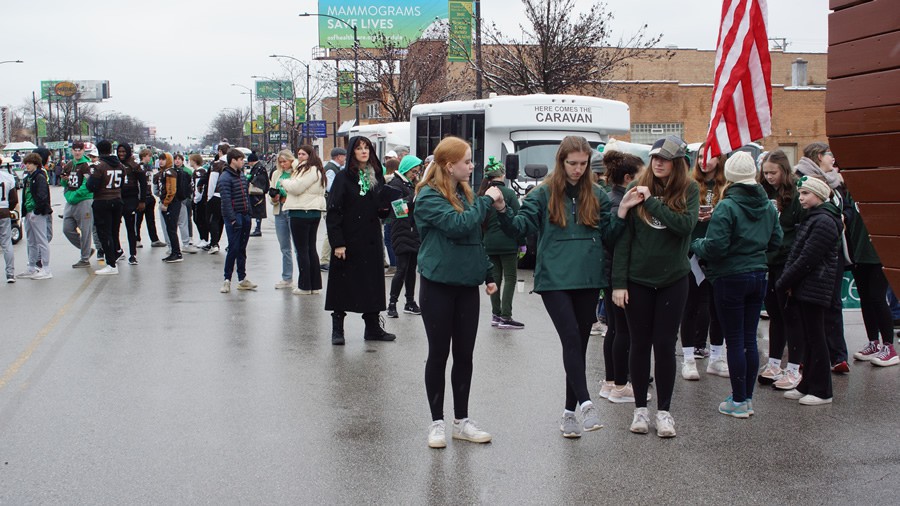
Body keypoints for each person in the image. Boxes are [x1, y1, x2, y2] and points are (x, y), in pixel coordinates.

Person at [494, 136, 640, 438]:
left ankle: (568, 413)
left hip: (587, 277)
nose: (577, 169)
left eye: (583, 164)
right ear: (561, 162)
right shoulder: (543, 192)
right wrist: (501, 209)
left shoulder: (597, 194)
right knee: (572, 337)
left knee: (579, 344)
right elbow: (519, 228)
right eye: (572, 163)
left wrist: (622, 211)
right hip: (555, 279)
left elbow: (610, 236)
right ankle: (586, 403)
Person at [612, 135, 699, 438]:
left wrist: (652, 202)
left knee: (664, 345)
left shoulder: (689, 188)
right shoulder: (635, 189)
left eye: (666, 158)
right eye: (655, 158)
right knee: (639, 344)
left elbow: (685, 226)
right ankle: (639, 410)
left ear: (678, 163)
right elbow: (624, 241)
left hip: (673, 280)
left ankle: (664, 412)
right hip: (638, 281)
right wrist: (619, 283)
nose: (659, 163)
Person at [415, 136, 499, 448]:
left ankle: (461, 421)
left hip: (466, 287)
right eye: (467, 161)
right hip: (437, 285)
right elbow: (459, 225)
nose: (472, 165)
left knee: (464, 354)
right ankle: (436, 422)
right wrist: (488, 200)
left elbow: (474, 239)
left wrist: (487, 273)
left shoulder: (466, 193)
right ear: (450, 166)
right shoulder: (428, 197)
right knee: (439, 353)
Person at [690, 152, 782, 418]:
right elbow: (776, 241)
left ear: (729, 176)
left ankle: (739, 400)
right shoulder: (767, 206)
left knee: (735, 339)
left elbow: (716, 247)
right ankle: (746, 398)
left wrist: (696, 244)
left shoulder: (727, 206)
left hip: (730, 276)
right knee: (748, 340)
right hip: (758, 274)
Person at [776, 175, 842, 405]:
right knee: (808, 337)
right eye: (800, 193)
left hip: (815, 286)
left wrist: (784, 281)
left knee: (816, 338)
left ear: (819, 195)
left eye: (806, 193)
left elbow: (807, 258)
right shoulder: (813, 217)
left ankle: (823, 390)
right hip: (806, 286)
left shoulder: (823, 220)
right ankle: (807, 384)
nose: (801, 198)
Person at [325, 136, 395, 345]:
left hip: (371, 237)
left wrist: (386, 209)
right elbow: (334, 211)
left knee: (372, 283)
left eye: (367, 148)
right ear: (352, 152)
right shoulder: (343, 177)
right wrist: (337, 242)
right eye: (359, 148)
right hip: (348, 238)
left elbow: (379, 206)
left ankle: (372, 327)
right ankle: (338, 329)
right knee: (342, 285)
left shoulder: (376, 175)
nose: (364, 152)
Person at [757, 150, 806, 389]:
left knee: (792, 316)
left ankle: (795, 368)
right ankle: (774, 363)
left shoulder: (796, 194)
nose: (768, 177)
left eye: (773, 172)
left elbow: (800, 232)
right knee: (775, 315)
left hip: (789, 261)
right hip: (769, 261)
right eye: (765, 172)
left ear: (784, 171)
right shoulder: (763, 191)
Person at [681, 143, 729, 380]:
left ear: (719, 160)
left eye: (710, 156)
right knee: (689, 306)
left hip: (717, 253)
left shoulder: (726, 186)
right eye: (700, 156)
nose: (704, 160)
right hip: (690, 253)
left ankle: (717, 358)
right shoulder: (689, 184)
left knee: (716, 308)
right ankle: (689, 359)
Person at [597, 150, 641, 403]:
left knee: (615, 328)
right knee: (623, 330)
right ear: (628, 178)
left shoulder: (612, 198)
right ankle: (620, 384)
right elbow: (616, 240)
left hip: (610, 272)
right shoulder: (619, 203)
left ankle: (611, 381)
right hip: (617, 272)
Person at [477, 156, 523, 329]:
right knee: (510, 278)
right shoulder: (509, 193)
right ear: (502, 175)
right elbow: (518, 220)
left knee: (494, 279)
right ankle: (506, 315)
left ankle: (495, 314)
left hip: (488, 242)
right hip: (508, 242)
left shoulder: (483, 193)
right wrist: (522, 242)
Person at [280, 145, 326, 295]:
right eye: (298, 154)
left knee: (303, 250)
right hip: (312, 211)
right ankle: (314, 284)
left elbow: (297, 188)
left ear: (310, 155)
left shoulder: (308, 170)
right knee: (310, 249)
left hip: (301, 211)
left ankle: (305, 285)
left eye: (303, 154)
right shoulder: (316, 168)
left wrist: (283, 182)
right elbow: (294, 164)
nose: (300, 156)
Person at [385, 154, 423, 318]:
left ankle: (410, 302)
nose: (415, 175)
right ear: (406, 170)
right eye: (413, 171)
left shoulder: (409, 183)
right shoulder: (395, 184)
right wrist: (414, 196)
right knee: (401, 269)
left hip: (413, 231)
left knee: (411, 270)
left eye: (417, 172)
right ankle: (392, 304)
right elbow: (398, 209)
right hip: (401, 230)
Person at [218, 148, 257, 293]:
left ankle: (242, 278)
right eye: (241, 159)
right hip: (235, 217)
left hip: (245, 214)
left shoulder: (241, 175)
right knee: (233, 248)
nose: (243, 162)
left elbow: (246, 195)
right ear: (233, 160)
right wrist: (233, 219)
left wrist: (249, 213)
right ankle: (227, 279)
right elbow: (226, 201)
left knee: (242, 249)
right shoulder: (225, 177)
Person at [86, 140, 124, 276]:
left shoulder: (99, 166)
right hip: (117, 199)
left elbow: (91, 185)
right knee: (114, 231)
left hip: (102, 201)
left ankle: (111, 263)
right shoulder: (120, 165)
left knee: (104, 232)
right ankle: (115, 255)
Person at [18, 153, 53, 279]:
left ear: (36, 164)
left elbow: (42, 196)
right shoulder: (28, 178)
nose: (27, 165)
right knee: (31, 241)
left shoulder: (39, 177)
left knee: (41, 240)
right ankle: (32, 266)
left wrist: (36, 211)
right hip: (28, 211)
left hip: (37, 212)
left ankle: (46, 268)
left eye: (29, 163)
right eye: (26, 163)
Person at [62, 141, 95, 268]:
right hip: (70, 200)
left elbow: (87, 184)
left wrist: (75, 196)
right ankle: (85, 249)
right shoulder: (69, 165)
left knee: (85, 229)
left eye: (79, 150)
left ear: (83, 151)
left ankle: (84, 258)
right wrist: (64, 182)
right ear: (71, 151)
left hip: (84, 200)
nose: (77, 152)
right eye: (75, 150)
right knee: (67, 228)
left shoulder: (87, 165)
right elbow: (65, 182)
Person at [269, 149, 296, 289]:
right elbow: (272, 190)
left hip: (292, 208)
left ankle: (303, 278)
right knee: (284, 247)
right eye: (280, 162)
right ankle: (287, 278)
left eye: (285, 161)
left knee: (298, 246)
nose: (283, 164)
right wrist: (274, 197)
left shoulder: (297, 172)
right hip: (279, 209)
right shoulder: (276, 174)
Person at [118, 142, 148, 265]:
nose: (121, 154)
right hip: (117, 199)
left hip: (131, 199)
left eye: (124, 152)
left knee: (130, 228)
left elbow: (143, 184)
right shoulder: (115, 165)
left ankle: (132, 254)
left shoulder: (135, 166)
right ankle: (118, 250)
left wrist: (142, 201)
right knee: (114, 228)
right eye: (119, 152)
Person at [320, 147, 346, 270]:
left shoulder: (334, 168)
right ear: (339, 157)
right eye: (344, 156)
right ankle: (324, 259)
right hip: (330, 204)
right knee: (329, 232)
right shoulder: (331, 169)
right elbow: (330, 187)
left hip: (331, 204)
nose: (345, 159)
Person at [135, 149, 166, 248]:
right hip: (140, 197)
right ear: (144, 156)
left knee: (151, 219)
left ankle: (154, 239)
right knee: (138, 220)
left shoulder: (149, 167)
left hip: (149, 195)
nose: (150, 158)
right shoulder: (139, 167)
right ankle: (136, 239)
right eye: (149, 156)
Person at [156, 152, 182, 263]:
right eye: (160, 159)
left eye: (163, 159)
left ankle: (176, 253)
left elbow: (171, 190)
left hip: (172, 204)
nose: (161, 161)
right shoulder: (164, 172)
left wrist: (166, 203)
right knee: (170, 229)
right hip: (169, 203)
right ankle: (174, 252)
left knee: (171, 229)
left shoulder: (169, 172)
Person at [206, 144, 229, 254]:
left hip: (217, 195)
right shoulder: (233, 163)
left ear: (220, 151)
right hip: (229, 196)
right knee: (227, 220)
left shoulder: (217, 164)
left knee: (215, 220)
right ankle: (230, 244)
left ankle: (214, 243)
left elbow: (212, 181)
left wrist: (209, 197)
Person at [173, 154, 197, 254]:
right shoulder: (172, 171)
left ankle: (189, 237)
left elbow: (191, 185)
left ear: (183, 161)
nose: (177, 161)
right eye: (175, 159)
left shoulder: (187, 171)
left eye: (179, 159)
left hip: (186, 198)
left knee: (187, 218)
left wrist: (190, 196)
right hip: (176, 199)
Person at [1, 162, 19, 282]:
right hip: (3, 210)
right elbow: (14, 199)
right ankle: (10, 273)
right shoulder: (7, 177)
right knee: (6, 242)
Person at [188, 154, 210, 249]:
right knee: (199, 219)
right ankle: (203, 238)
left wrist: (196, 199)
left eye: (191, 160)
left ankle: (204, 239)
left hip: (200, 200)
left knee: (199, 219)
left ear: (194, 161)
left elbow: (199, 187)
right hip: (200, 199)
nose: (189, 162)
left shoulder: (198, 173)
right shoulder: (199, 171)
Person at [247, 152, 268, 237]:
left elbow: (260, 180)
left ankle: (258, 229)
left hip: (257, 194)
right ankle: (257, 228)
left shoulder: (259, 168)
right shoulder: (259, 167)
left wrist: (250, 180)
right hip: (257, 194)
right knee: (256, 211)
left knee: (257, 211)